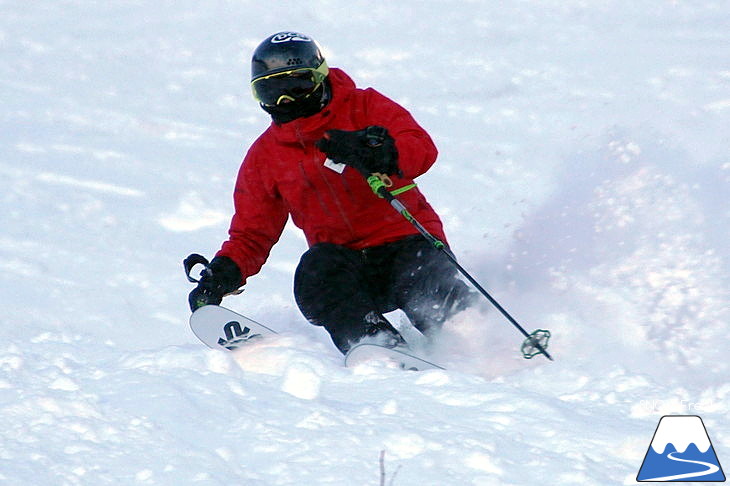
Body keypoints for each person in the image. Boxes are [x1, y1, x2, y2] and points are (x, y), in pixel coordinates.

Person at [188, 31, 474, 354]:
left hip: (407, 244)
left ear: (320, 78)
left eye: (296, 86)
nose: (286, 101)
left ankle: (478, 336)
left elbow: (422, 148)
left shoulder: (364, 106)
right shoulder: (265, 157)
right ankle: (380, 347)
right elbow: (252, 234)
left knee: (426, 287)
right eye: (270, 92)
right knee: (315, 274)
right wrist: (221, 274)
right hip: (348, 266)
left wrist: (379, 151)